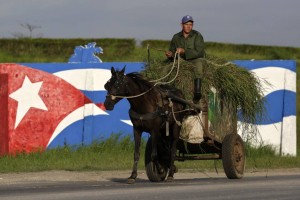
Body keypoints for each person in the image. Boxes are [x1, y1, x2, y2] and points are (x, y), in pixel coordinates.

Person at [165, 15, 206, 103]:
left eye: (190, 24)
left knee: (199, 64)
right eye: (186, 24)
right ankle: (166, 89)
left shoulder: (197, 35)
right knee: (166, 67)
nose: (188, 26)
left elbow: (199, 52)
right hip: (180, 60)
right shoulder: (176, 37)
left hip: (195, 59)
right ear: (181, 25)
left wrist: (184, 51)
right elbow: (172, 51)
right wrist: (170, 54)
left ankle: (197, 93)